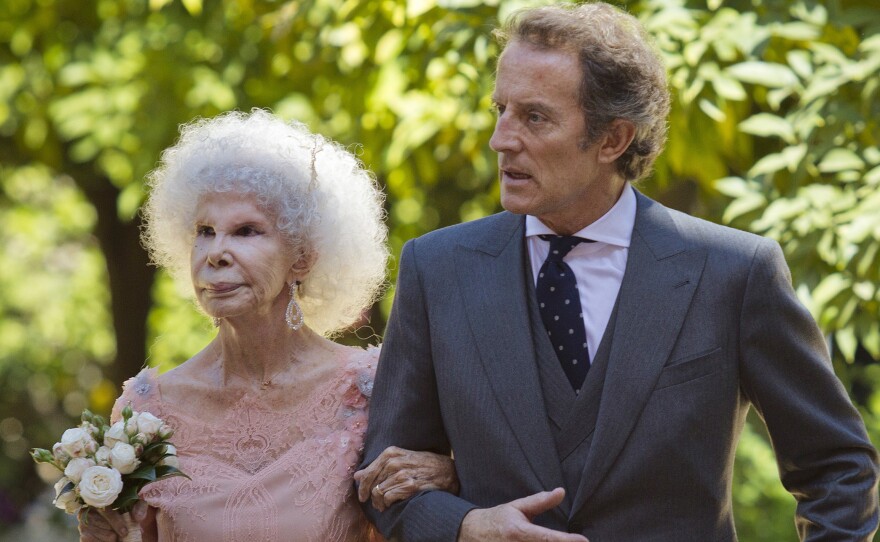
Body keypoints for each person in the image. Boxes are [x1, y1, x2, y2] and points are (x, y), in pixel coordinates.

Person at [356, 3, 879, 541]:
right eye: (500, 110)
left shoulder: (734, 273)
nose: (501, 139)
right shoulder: (437, 269)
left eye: (534, 117)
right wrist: (464, 525)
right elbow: (385, 482)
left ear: (613, 139)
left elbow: (838, 468)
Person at [77, 110, 458, 542]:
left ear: (302, 258)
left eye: (245, 231)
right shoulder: (149, 408)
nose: (216, 252)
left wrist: (450, 474)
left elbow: (422, 516)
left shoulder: (370, 388)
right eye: (205, 231)